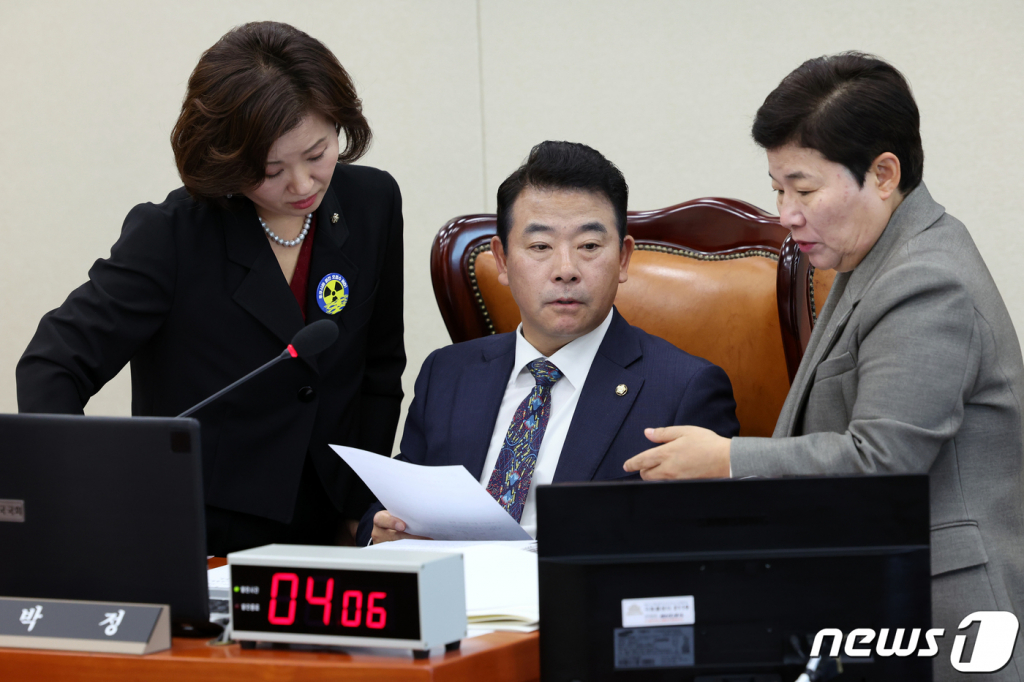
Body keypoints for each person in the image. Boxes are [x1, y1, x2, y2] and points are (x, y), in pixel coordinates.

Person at [623, 53, 1024, 679]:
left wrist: (726, 460)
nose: (786, 214)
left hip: (947, 624)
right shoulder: (873, 251)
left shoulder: (926, 278)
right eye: (778, 189)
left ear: (884, 173)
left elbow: (882, 460)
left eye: (804, 189)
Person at [16, 22, 405, 556]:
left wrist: (360, 508)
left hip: (332, 532)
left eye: (317, 153)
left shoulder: (372, 202)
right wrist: (85, 495)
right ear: (226, 158)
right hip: (206, 537)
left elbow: (379, 369)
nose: (302, 184)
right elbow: (53, 364)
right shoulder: (173, 235)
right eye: (270, 169)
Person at [361, 141, 738, 545]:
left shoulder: (683, 389)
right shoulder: (448, 374)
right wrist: (381, 532)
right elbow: (394, 500)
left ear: (624, 258)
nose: (565, 270)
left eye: (589, 247)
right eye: (540, 247)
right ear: (502, 260)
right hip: (450, 596)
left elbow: (702, 546)